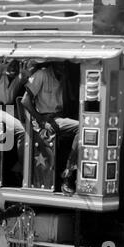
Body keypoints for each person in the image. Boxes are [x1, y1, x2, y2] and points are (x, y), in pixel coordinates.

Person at [21, 62, 79, 194]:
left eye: (65, 65)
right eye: (61, 64)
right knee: (81, 128)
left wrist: (66, 81)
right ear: (53, 63)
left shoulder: (63, 77)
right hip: (48, 119)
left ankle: (68, 175)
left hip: (59, 118)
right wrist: (41, 120)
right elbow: (25, 101)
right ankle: (68, 173)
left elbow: (72, 98)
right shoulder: (41, 74)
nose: (63, 67)